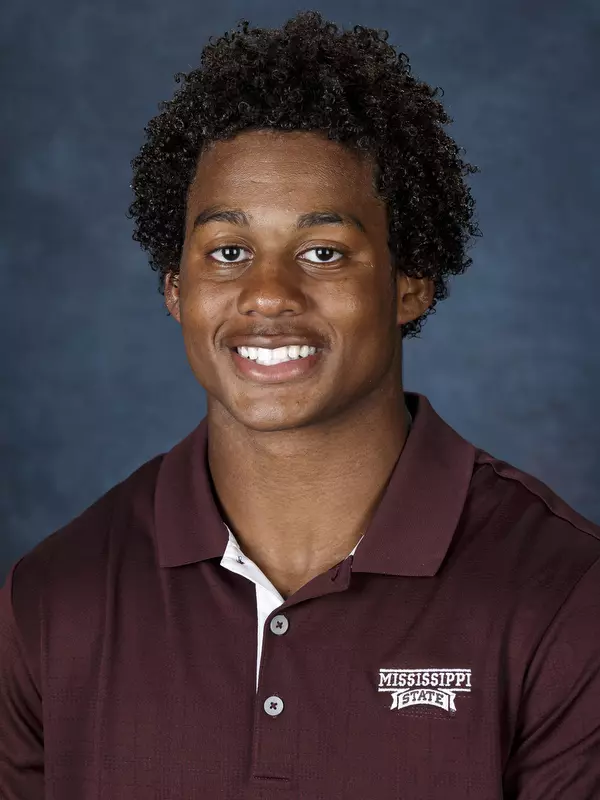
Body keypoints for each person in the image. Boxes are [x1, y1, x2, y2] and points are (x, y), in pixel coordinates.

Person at [1, 10, 599, 799]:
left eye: (323, 252)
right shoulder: (55, 597)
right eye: (227, 252)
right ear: (176, 292)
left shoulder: (565, 594)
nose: (268, 295)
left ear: (408, 283)